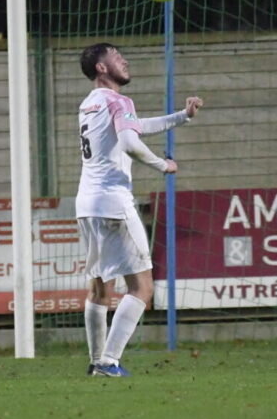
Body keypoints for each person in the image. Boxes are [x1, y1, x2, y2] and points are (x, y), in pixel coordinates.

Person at [76, 42, 203, 377]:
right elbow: (131, 142)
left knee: (101, 287)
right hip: (114, 203)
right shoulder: (119, 100)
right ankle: (109, 361)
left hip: (86, 205)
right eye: (117, 57)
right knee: (142, 288)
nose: (125, 59)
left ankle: (95, 361)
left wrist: (181, 117)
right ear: (101, 68)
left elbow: (135, 128)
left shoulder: (90, 103)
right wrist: (163, 165)